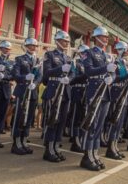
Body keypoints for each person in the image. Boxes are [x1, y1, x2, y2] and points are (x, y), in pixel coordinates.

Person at [80, 26, 116, 171]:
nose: (107, 39)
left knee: (99, 126)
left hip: (106, 92)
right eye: (104, 37)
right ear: (96, 38)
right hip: (94, 91)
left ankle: (95, 154)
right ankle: (87, 156)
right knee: (92, 125)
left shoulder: (108, 56)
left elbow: (112, 73)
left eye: (107, 37)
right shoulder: (89, 53)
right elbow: (88, 71)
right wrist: (105, 69)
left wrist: (112, 78)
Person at [42, 31, 72, 162]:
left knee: (61, 121)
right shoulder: (49, 55)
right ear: (58, 41)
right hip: (53, 90)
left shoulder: (67, 58)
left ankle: (56, 147)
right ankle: (48, 150)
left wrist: (69, 79)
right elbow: (46, 73)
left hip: (65, 90)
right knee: (52, 121)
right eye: (64, 41)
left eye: (67, 41)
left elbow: (72, 74)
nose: (66, 43)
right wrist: (61, 69)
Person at [11, 37, 41, 155]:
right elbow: (15, 74)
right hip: (22, 90)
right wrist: (25, 78)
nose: (33, 47)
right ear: (26, 46)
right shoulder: (19, 59)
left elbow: (40, 75)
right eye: (31, 45)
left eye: (35, 46)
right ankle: (16, 143)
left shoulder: (38, 60)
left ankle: (24, 141)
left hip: (32, 91)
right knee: (19, 117)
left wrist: (35, 83)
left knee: (29, 118)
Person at [69, 44, 89, 153]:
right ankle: (75, 140)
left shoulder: (87, 63)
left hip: (85, 91)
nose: (86, 55)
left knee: (82, 117)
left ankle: (80, 139)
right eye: (85, 53)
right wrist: (85, 75)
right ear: (80, 53)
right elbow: (73, 79)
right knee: (76, 117)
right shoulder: (76, 63)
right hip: (77, 91)